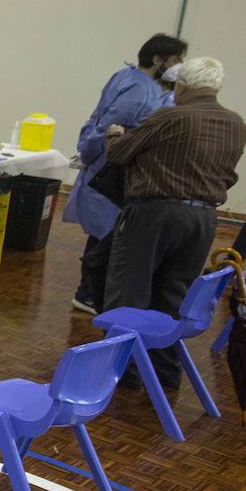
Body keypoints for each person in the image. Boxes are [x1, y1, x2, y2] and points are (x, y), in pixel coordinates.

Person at [104, 56, 246, 389]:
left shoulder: (170, 115)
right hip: (204, 217)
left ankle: (120, 375)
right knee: (174, 297)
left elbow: (120, 153)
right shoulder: (237, 123)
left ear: (182, 86)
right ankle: (165, 373)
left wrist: (113, 135)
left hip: (155, 213)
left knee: (129, 292)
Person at [64, 34, 185, 314]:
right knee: (107, 234)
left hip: (111, 166)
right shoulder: (138, 90)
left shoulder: (132, 78)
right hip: (114, 168)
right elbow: (110, 127)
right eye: (177, 59)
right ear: (158, 59)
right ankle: (89, 293)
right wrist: (90, 152)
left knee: (106, 233)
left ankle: (92, 292)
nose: (180, 65)